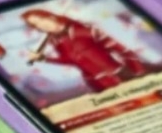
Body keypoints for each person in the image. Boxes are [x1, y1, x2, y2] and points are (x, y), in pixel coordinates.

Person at [21, 9, 151, 92]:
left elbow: (123, 51)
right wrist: (43, 58)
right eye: (36, 24)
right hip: (97, 83)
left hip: (119, 75)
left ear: (51, 17)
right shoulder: (54, 40)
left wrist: (139, 73)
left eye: (41, 20)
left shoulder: (84, 29)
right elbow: (72, 60)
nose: (41, 26)